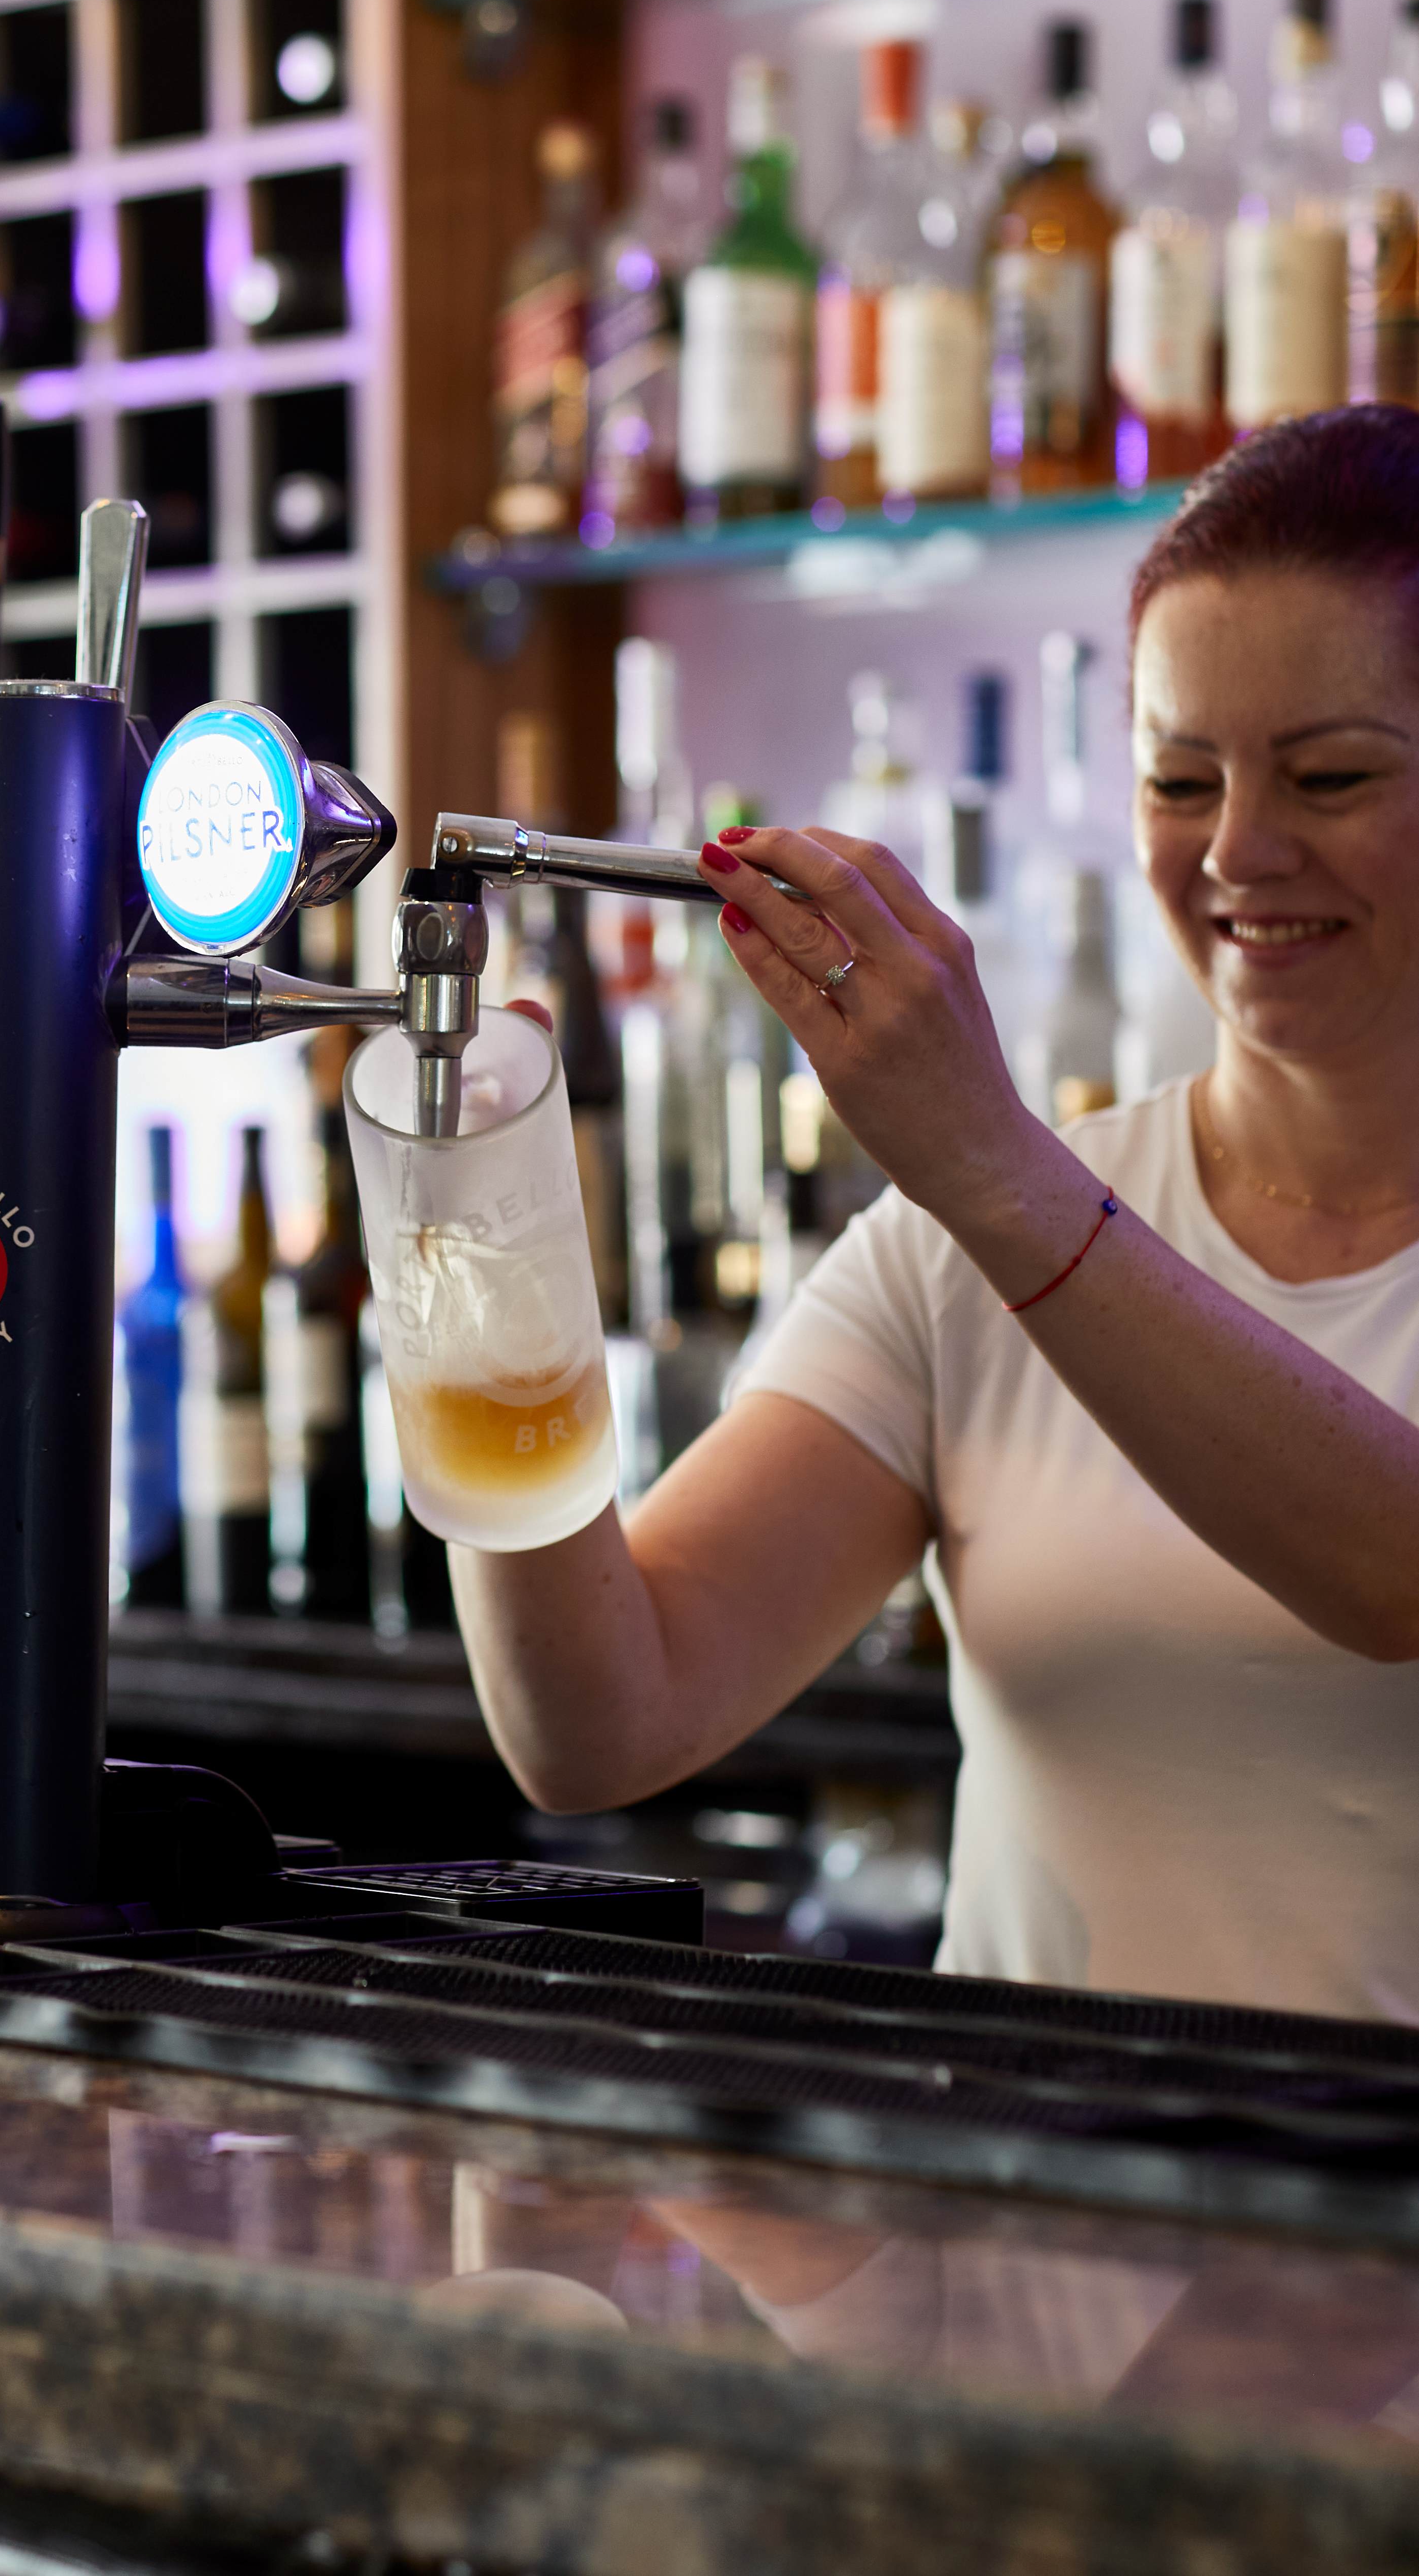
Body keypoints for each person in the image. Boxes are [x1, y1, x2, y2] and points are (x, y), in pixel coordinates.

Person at [455, 404, 1419, 2021]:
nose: (1239, 850)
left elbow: (1393, 1573)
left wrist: (986, 1161)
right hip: (1033, 2240)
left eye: (1328, 773)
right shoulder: (948, 1262)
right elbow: (599, 1719)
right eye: (1178, 779)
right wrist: (493, 1266)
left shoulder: (996, 1207)